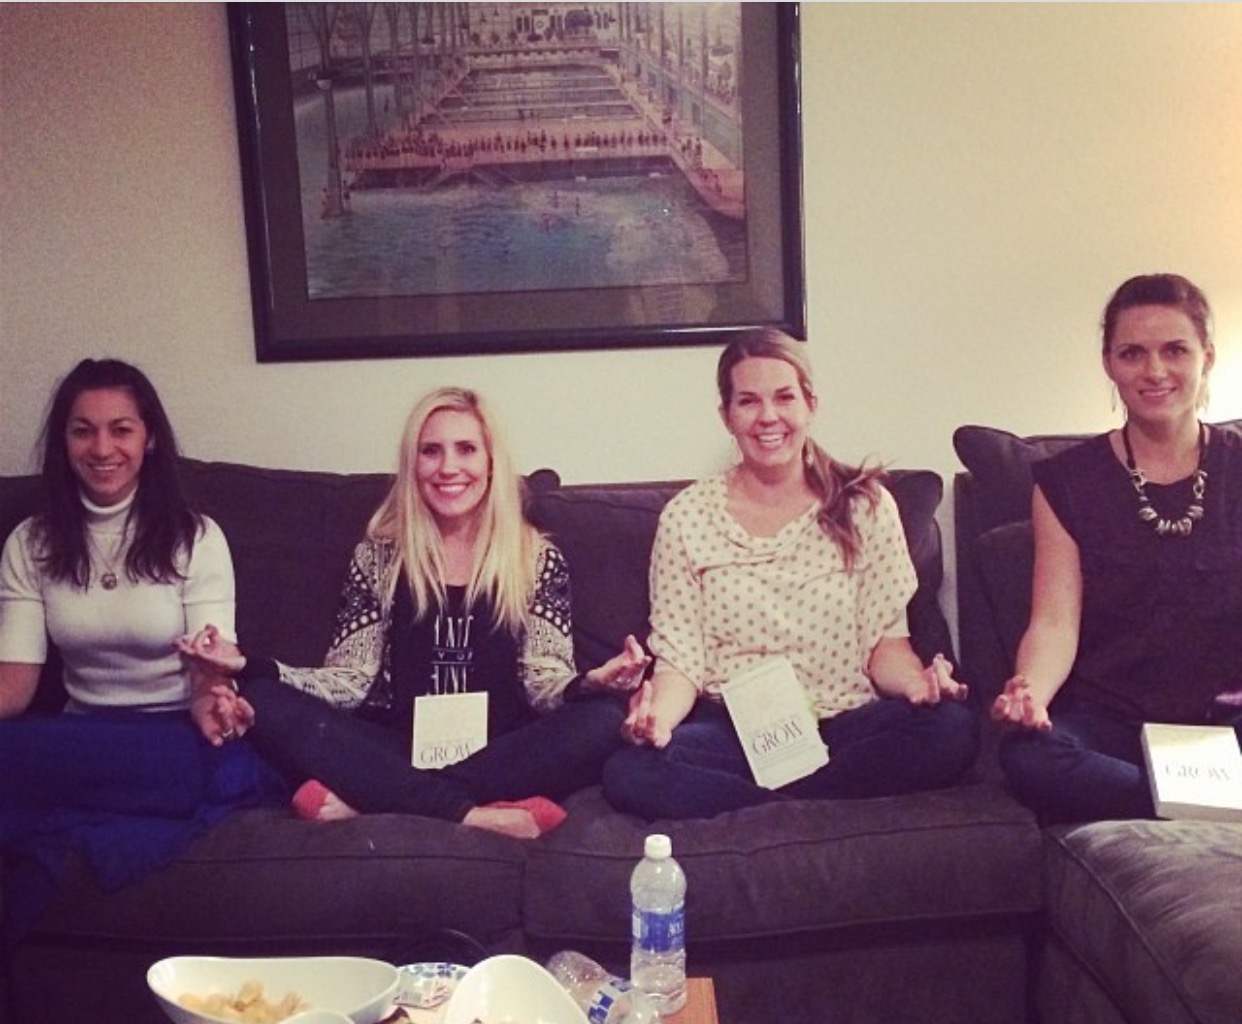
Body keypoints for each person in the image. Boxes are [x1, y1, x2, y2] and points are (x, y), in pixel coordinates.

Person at [180, 386, 646, 840]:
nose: (448, 467)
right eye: (431, 451)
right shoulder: (378, 557)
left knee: (604, 718)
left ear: (491, 462)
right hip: (395, 748)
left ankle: (378, 801)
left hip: (503, 751)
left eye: (466, 449)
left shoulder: (537, 558)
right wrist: (248, 665)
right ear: (412, 463)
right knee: (263, 698)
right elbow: (348, 681)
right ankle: (476, 816)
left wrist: (592, 682)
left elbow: (544, 683)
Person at [601, 328, 978, 821]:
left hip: (843, 722)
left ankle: (767, 809)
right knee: (630, 771)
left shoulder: (866, 505)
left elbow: (886, 647)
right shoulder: (686, 517)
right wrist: (657, 721)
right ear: (727, 416)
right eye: (748, 401)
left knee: (952, 729)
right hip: (734, 732)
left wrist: (919, 685)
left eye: (784, 397)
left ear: (809, 405)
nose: (768, 417)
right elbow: (681, 664)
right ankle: (816, 808)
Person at [0, 358, 279, 942]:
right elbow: (15, 689)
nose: (102, 448)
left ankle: (71, 814)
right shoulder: (31, 542)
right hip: (81, 739)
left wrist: (213, 699)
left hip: (175, 738)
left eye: (121, 429)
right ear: (64, 441)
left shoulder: (196, 537)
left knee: (218, 765)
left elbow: (210, 668)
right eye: (83, 430)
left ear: (148, 438)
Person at [993, 273, 1242, 822]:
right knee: (1030, 756)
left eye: (1174, 350)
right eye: (1133, 353)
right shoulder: (1065, 481)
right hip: (1112, 723)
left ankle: (1190, 801)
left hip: (1226, 723)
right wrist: (1030, 693)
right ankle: (1209, 805)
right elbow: (1054, 623)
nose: (1155, 371)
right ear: (1109, 363)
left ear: (1207, 356)